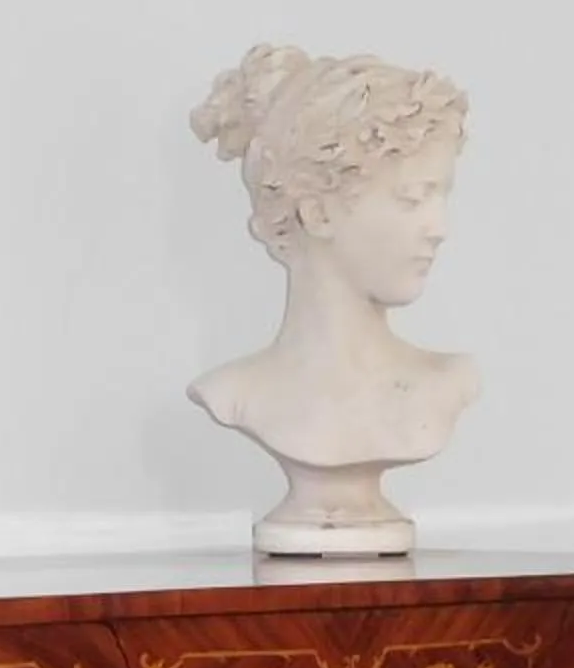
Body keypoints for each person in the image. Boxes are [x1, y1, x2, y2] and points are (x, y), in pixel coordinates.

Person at [189, 45, 480, 554]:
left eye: (442, 197)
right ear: (317, 213)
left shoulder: (450, 381)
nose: (439, 228)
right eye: (412, 198)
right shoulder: (235, 394)